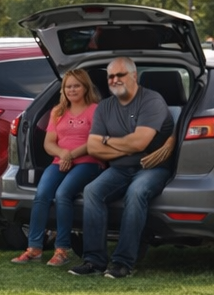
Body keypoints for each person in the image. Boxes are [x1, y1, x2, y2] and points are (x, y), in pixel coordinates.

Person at [69, 58, 176, 279]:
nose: (114, 80)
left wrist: (108, 140)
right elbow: (93, 147)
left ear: (134, 76)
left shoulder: (152, 100)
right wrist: (127, 149)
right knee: (92, 191)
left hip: (152, 168)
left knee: (136, 192)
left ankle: (122, 263)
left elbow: (139, 142)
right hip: (119, 169)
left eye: (120, 75)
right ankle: (94, 261)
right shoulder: (105, 107)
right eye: (111, 76)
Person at [12, 70, 103, 267]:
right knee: (42, 194)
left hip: (88, 161)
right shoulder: (58, 111)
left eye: (76, 86)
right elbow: (48, 143)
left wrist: (71, 155)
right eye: (68, 86)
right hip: (60, 161)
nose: (72, 90)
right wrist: (63, 154)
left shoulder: (95, 110)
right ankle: (34, 248)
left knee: (63, 194)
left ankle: (62, 249)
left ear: (86, 87)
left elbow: (94, 142)